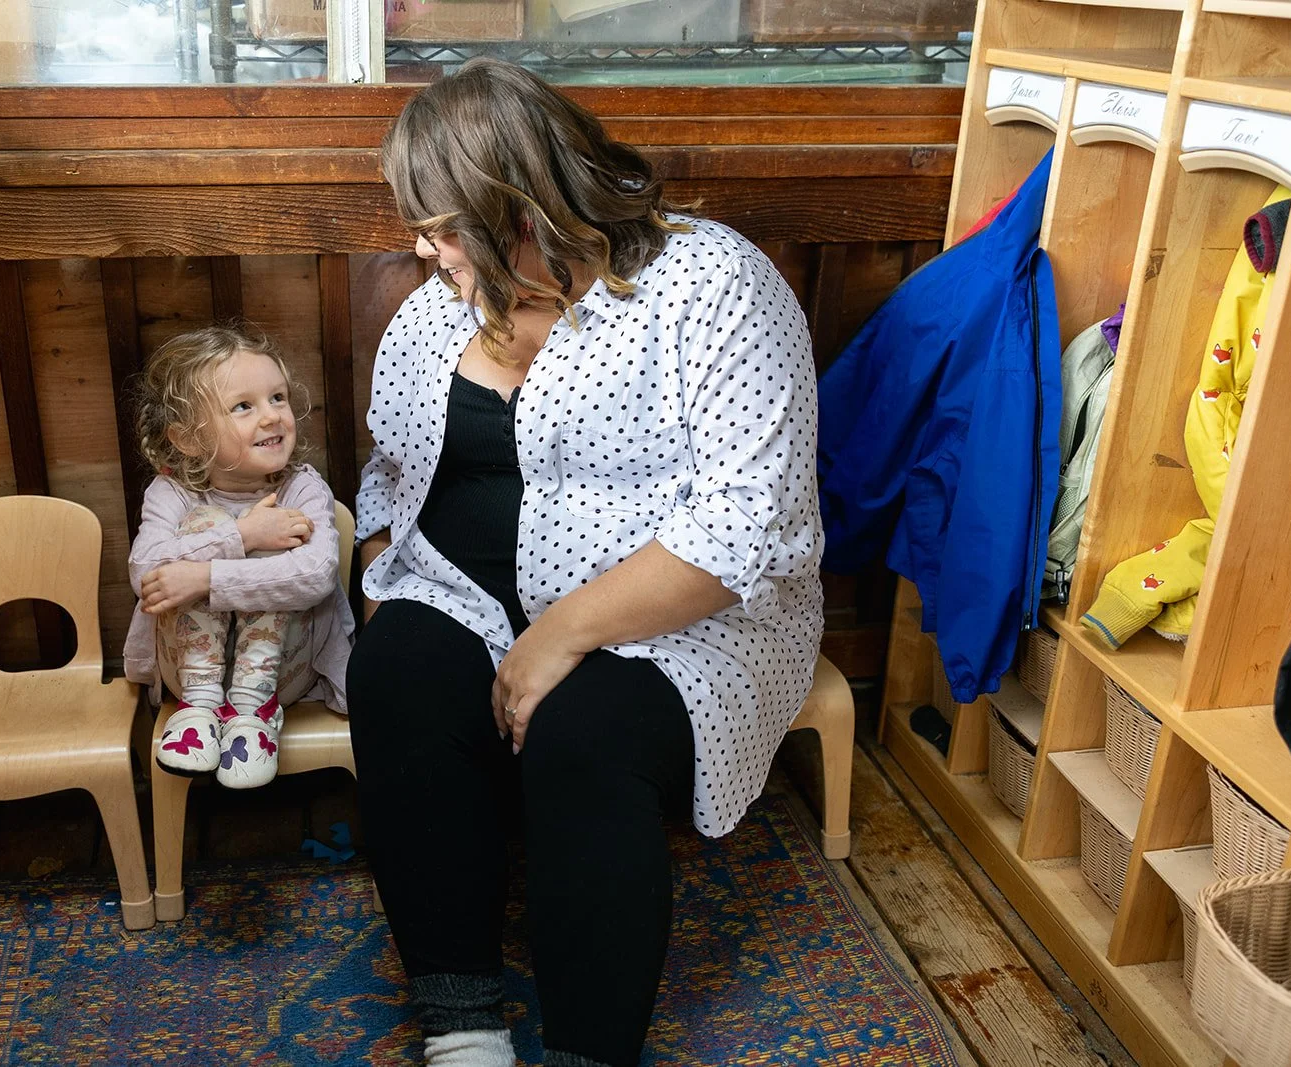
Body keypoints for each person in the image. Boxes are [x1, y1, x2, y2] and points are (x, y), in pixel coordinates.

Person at [348, 59, 823, 1067]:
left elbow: (748, 526)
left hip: (687, 618)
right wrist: (383, 571)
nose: (422, 249)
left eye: (441, 225)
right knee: (393, 673)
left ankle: (586, 1052)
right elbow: (391, 468)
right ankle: (463, 1023)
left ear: (521, 205)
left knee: (581, 731)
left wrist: (555, 637)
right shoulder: (438, 307)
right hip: (465, 588)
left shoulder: (711, 283)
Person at [122, 324, 353, 790]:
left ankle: (253, 712)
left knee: (275, 557)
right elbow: (146, 573)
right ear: (187, 438)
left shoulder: (302, 487)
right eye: (244, 406)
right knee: (207, 526)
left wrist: (205, 578)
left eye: (278, 398)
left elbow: (316, 574)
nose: (271, 417)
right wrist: (241, 535)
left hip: (283, 673)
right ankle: (201, 709)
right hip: (187, 676)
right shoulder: (171, 492)